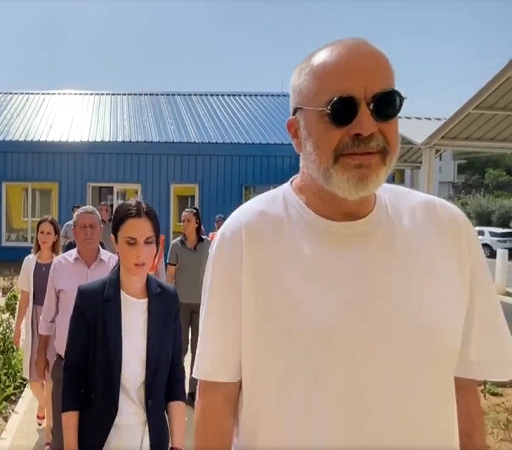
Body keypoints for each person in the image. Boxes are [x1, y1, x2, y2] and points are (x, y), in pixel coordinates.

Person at [193, 37, 512, 449]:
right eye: (341, 110)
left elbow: (463, 392)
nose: (365, 127)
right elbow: (217, 400)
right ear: (296, 133)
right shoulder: (246, 237)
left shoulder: (447, 231)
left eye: (383, 106)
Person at [61, 199, 186, 450]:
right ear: (115, 242)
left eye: (148, 242)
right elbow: (73, 382)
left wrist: (177, 445)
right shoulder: (90, 300)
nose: (141, 252)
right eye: (131, 242)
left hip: (152, 440)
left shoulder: (167, 300)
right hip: (102, 440)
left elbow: (175, 378)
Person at [37, 206, 118, 450]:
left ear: (101, 229)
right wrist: (41, 356)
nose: (88, 232)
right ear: (73, 231)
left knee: (99, 436)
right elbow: (48, 315)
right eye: (82, 227)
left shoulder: (114, 266)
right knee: (63, 437)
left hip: (103, 367)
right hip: (66, 365)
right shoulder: (59, 266)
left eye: (93, 226)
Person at [14, 216, 61, 445]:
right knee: (34, 380)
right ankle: (43, 405)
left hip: (54, 323)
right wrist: (17, 327)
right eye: (41, 232)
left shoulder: (60, 263)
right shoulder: (29, 262)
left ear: (55, 237)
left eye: (48, 233)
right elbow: (24, 297)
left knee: (51, 378)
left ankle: (50, 429)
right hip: (34, 322)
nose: (44, 237)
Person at [166, 205, 211, 407]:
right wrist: (167, 300)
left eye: (187, 221)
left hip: (202, 304)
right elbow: (170, 275)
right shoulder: (176, 246)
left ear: (197, 223)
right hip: (181, 304)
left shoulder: (208, 246)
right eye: (182, 220)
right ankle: (176, 388)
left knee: (197, 349)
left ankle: (193, 391)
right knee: (181, 348)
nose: (183, 224)